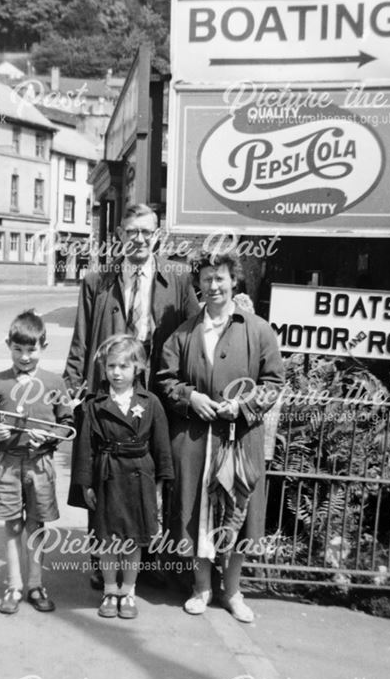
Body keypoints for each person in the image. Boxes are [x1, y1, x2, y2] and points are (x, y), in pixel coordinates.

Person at [64, 202, 199, 588]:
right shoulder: (98, 279)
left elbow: (192, 332)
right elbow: (80, 339)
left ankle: (145, 560)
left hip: (155, 394)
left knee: (149, 475)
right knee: (102, 475)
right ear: (119, 235)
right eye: (131, 231)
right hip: (108, 390)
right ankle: (99, 560)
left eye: (146, 231)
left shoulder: (177, 277)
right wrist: (71, 389)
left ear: (157, 235)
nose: (138, 239)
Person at [157, 248, 284, 623]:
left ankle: (233, 591)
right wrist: (191, 397)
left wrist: (243, 406)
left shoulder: (258, 329)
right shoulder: (184, 332)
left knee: (239, 514)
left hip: (239, 438)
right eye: (207, 279)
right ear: (198, 284)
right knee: (198, 513)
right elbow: (166, 380)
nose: (213, 286)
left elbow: (274, 381)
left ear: (234, 281)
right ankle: (202, 587)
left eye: (220, 278)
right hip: (196, 440)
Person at [0, 309, 74, 615]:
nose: (24, 357)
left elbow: (67, 422)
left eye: (31, 350)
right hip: (8, 462)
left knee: (36, 523)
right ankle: (14, 585)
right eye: (18, 349)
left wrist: (49, 438)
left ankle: (36, 584)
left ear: (43, 348)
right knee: (13, 523)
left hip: (40, 464)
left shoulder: (54, 382)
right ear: (8, 345)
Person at [72, 334, 174, 620]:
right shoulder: (94, 404)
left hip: (140, 478)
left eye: (123, 367)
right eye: (111, 366)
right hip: (107, 477)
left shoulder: (150, 402)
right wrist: (86, 484)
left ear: (138, 367)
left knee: (133, 541)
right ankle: (109, 589)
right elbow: (85, 448)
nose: (116, 372)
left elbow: (162, 447)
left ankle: (128, 591)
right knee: (107, 540)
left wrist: (159, 486)